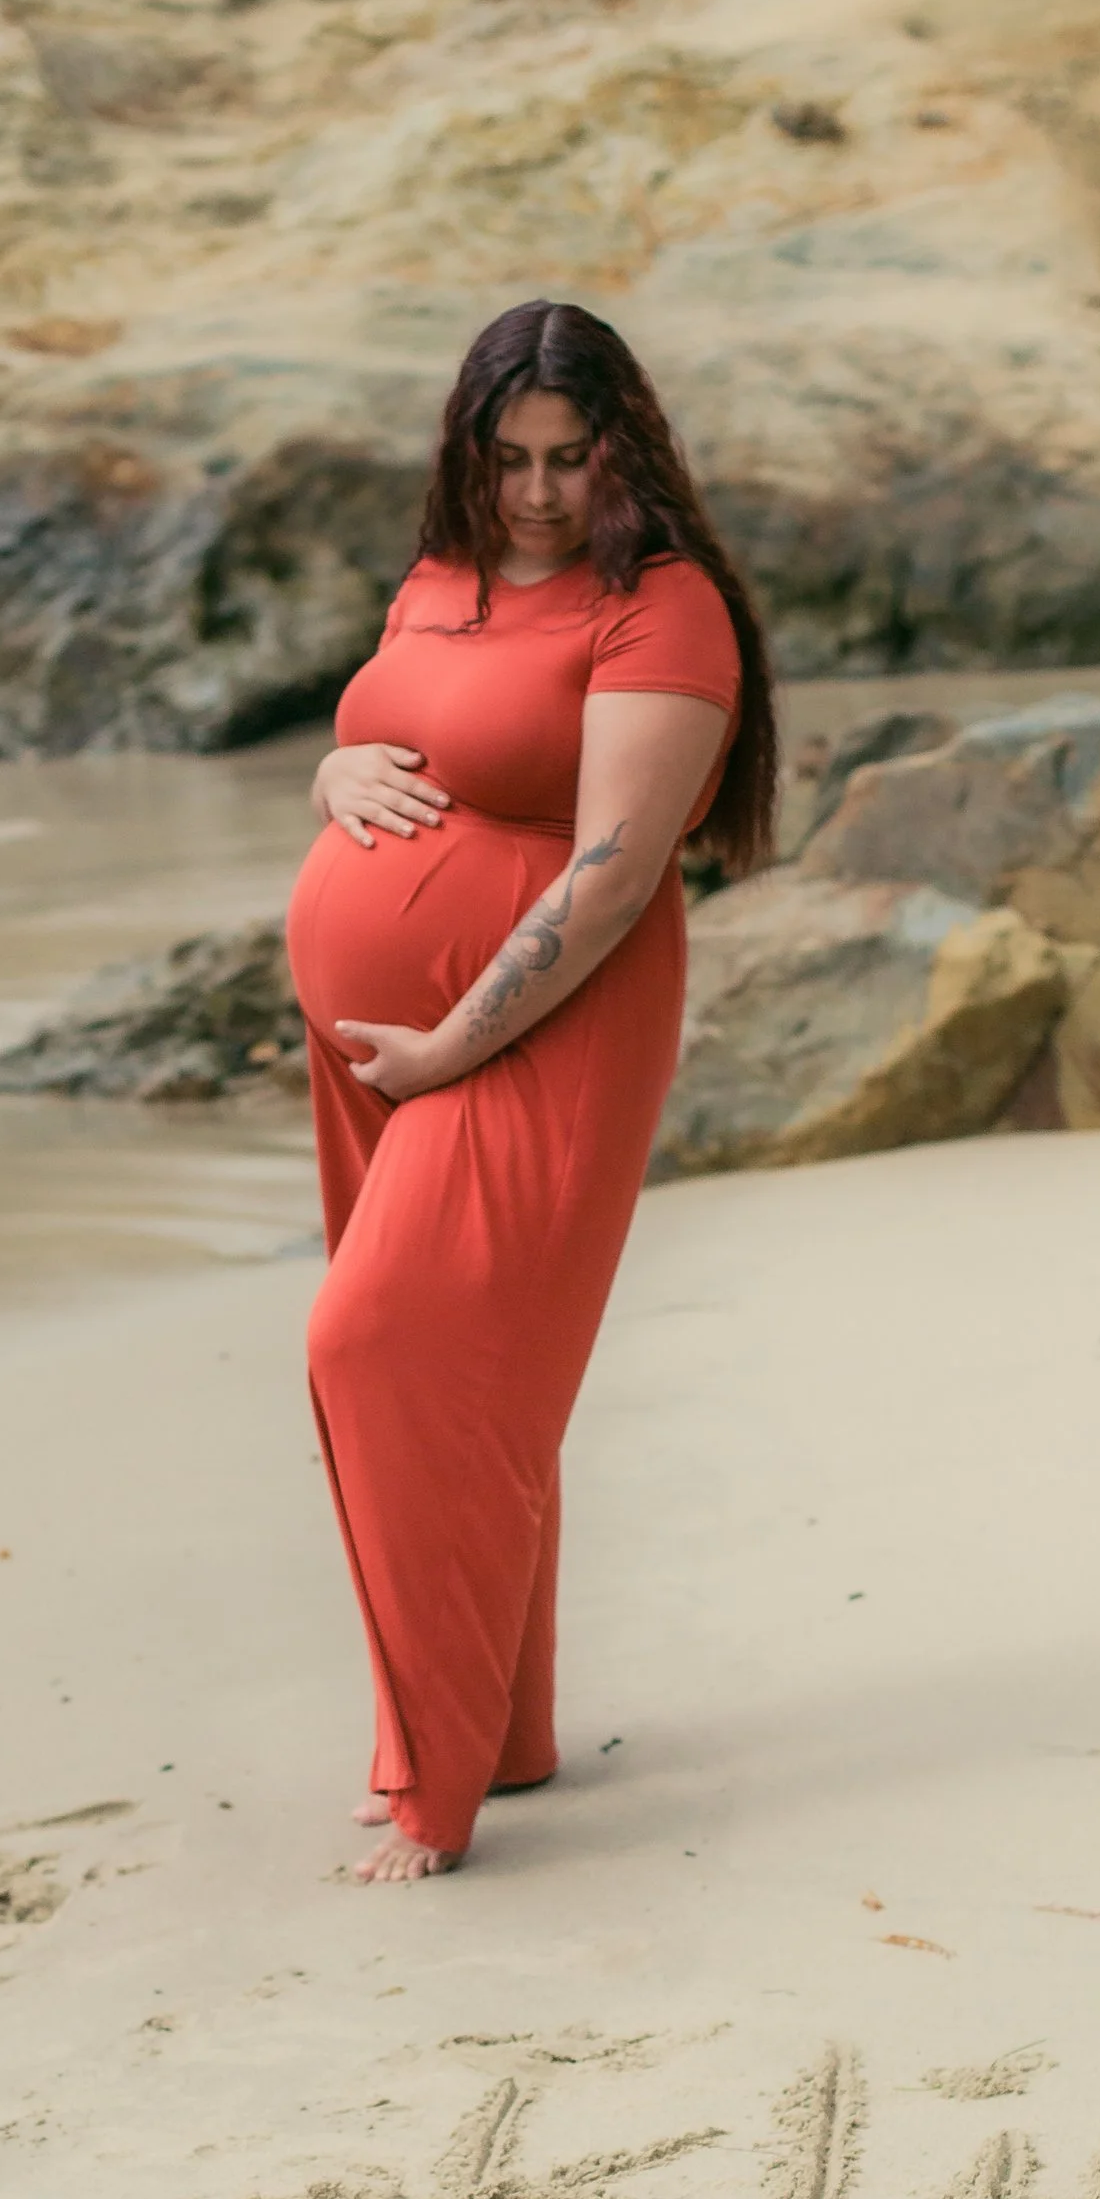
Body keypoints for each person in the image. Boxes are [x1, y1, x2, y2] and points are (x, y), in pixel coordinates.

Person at [285, 298, 781, 1883]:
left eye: (573, 457)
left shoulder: (662, 608)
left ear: (624, 446)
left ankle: (433, 1790)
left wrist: (449, 1044)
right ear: (468, 451)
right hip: (376, 1044)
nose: (542, 494)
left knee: (377, 1346)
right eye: (511, 459)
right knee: (470, 1386)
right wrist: (330, 772)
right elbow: (382, 730)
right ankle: (501, 1733)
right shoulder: (438, 577)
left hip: (537, 1027)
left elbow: (618, 874)